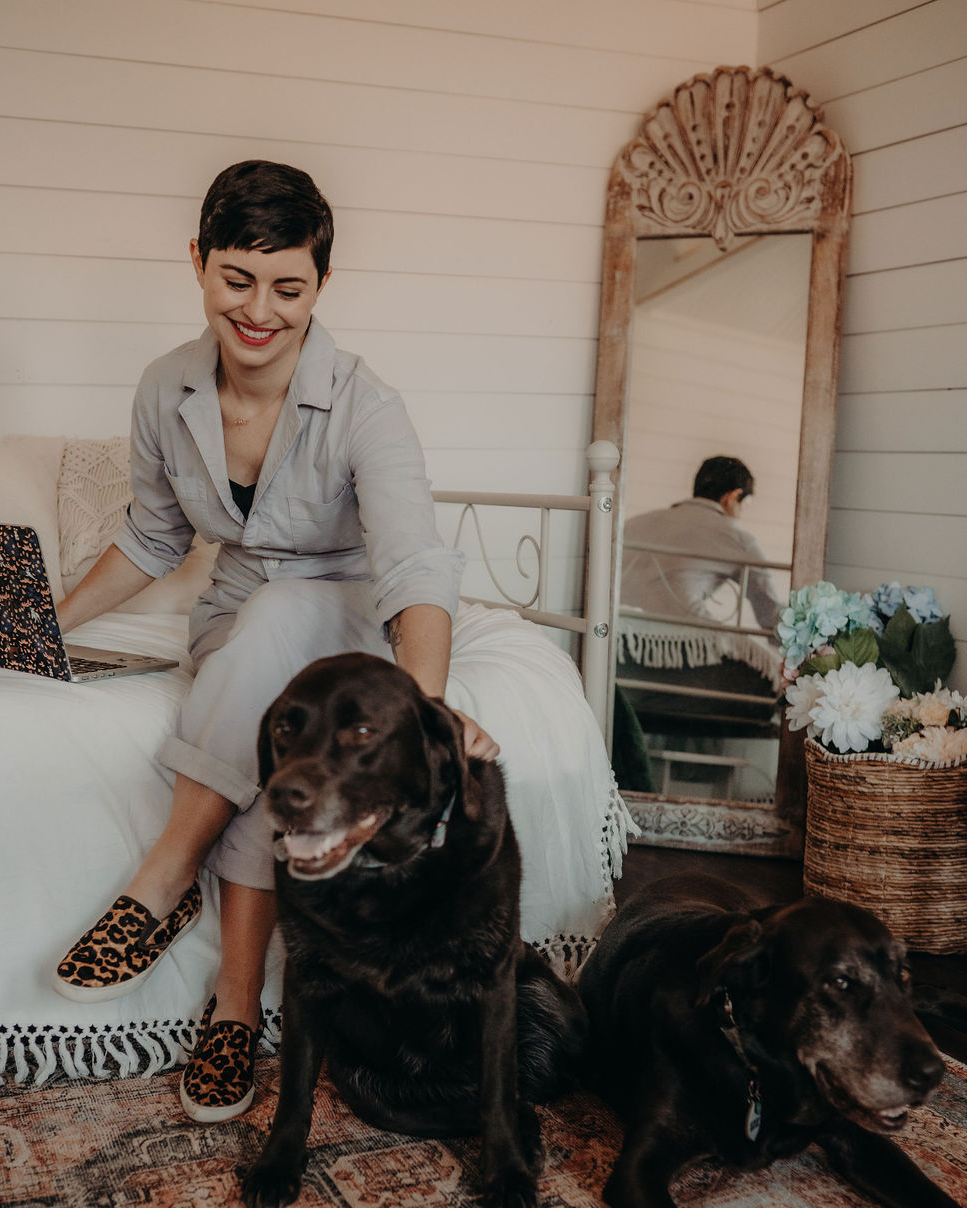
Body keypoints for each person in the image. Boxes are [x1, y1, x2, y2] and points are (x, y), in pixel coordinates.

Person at [48, 160, 630, 1126]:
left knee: (283, 623)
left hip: (343, 611)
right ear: (197, 263)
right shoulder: (165, 389)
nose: (261, 312)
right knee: (257, 666)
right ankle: (232, 1007)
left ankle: (168, 882)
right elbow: (154, 537)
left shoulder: (367, 405)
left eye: (290, 286)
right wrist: (50, 620)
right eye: (238, 279)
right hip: (233, 620)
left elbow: (413, 567)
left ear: (322, 283)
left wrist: (426, 705)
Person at [619, 456, 781, 630]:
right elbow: (770, 614)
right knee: (751, 651)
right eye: (745, 504)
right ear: (733, 496)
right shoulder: (738, 539)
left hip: (619, 628)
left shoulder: (635, 523)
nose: (741, 514)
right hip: (681, 637)